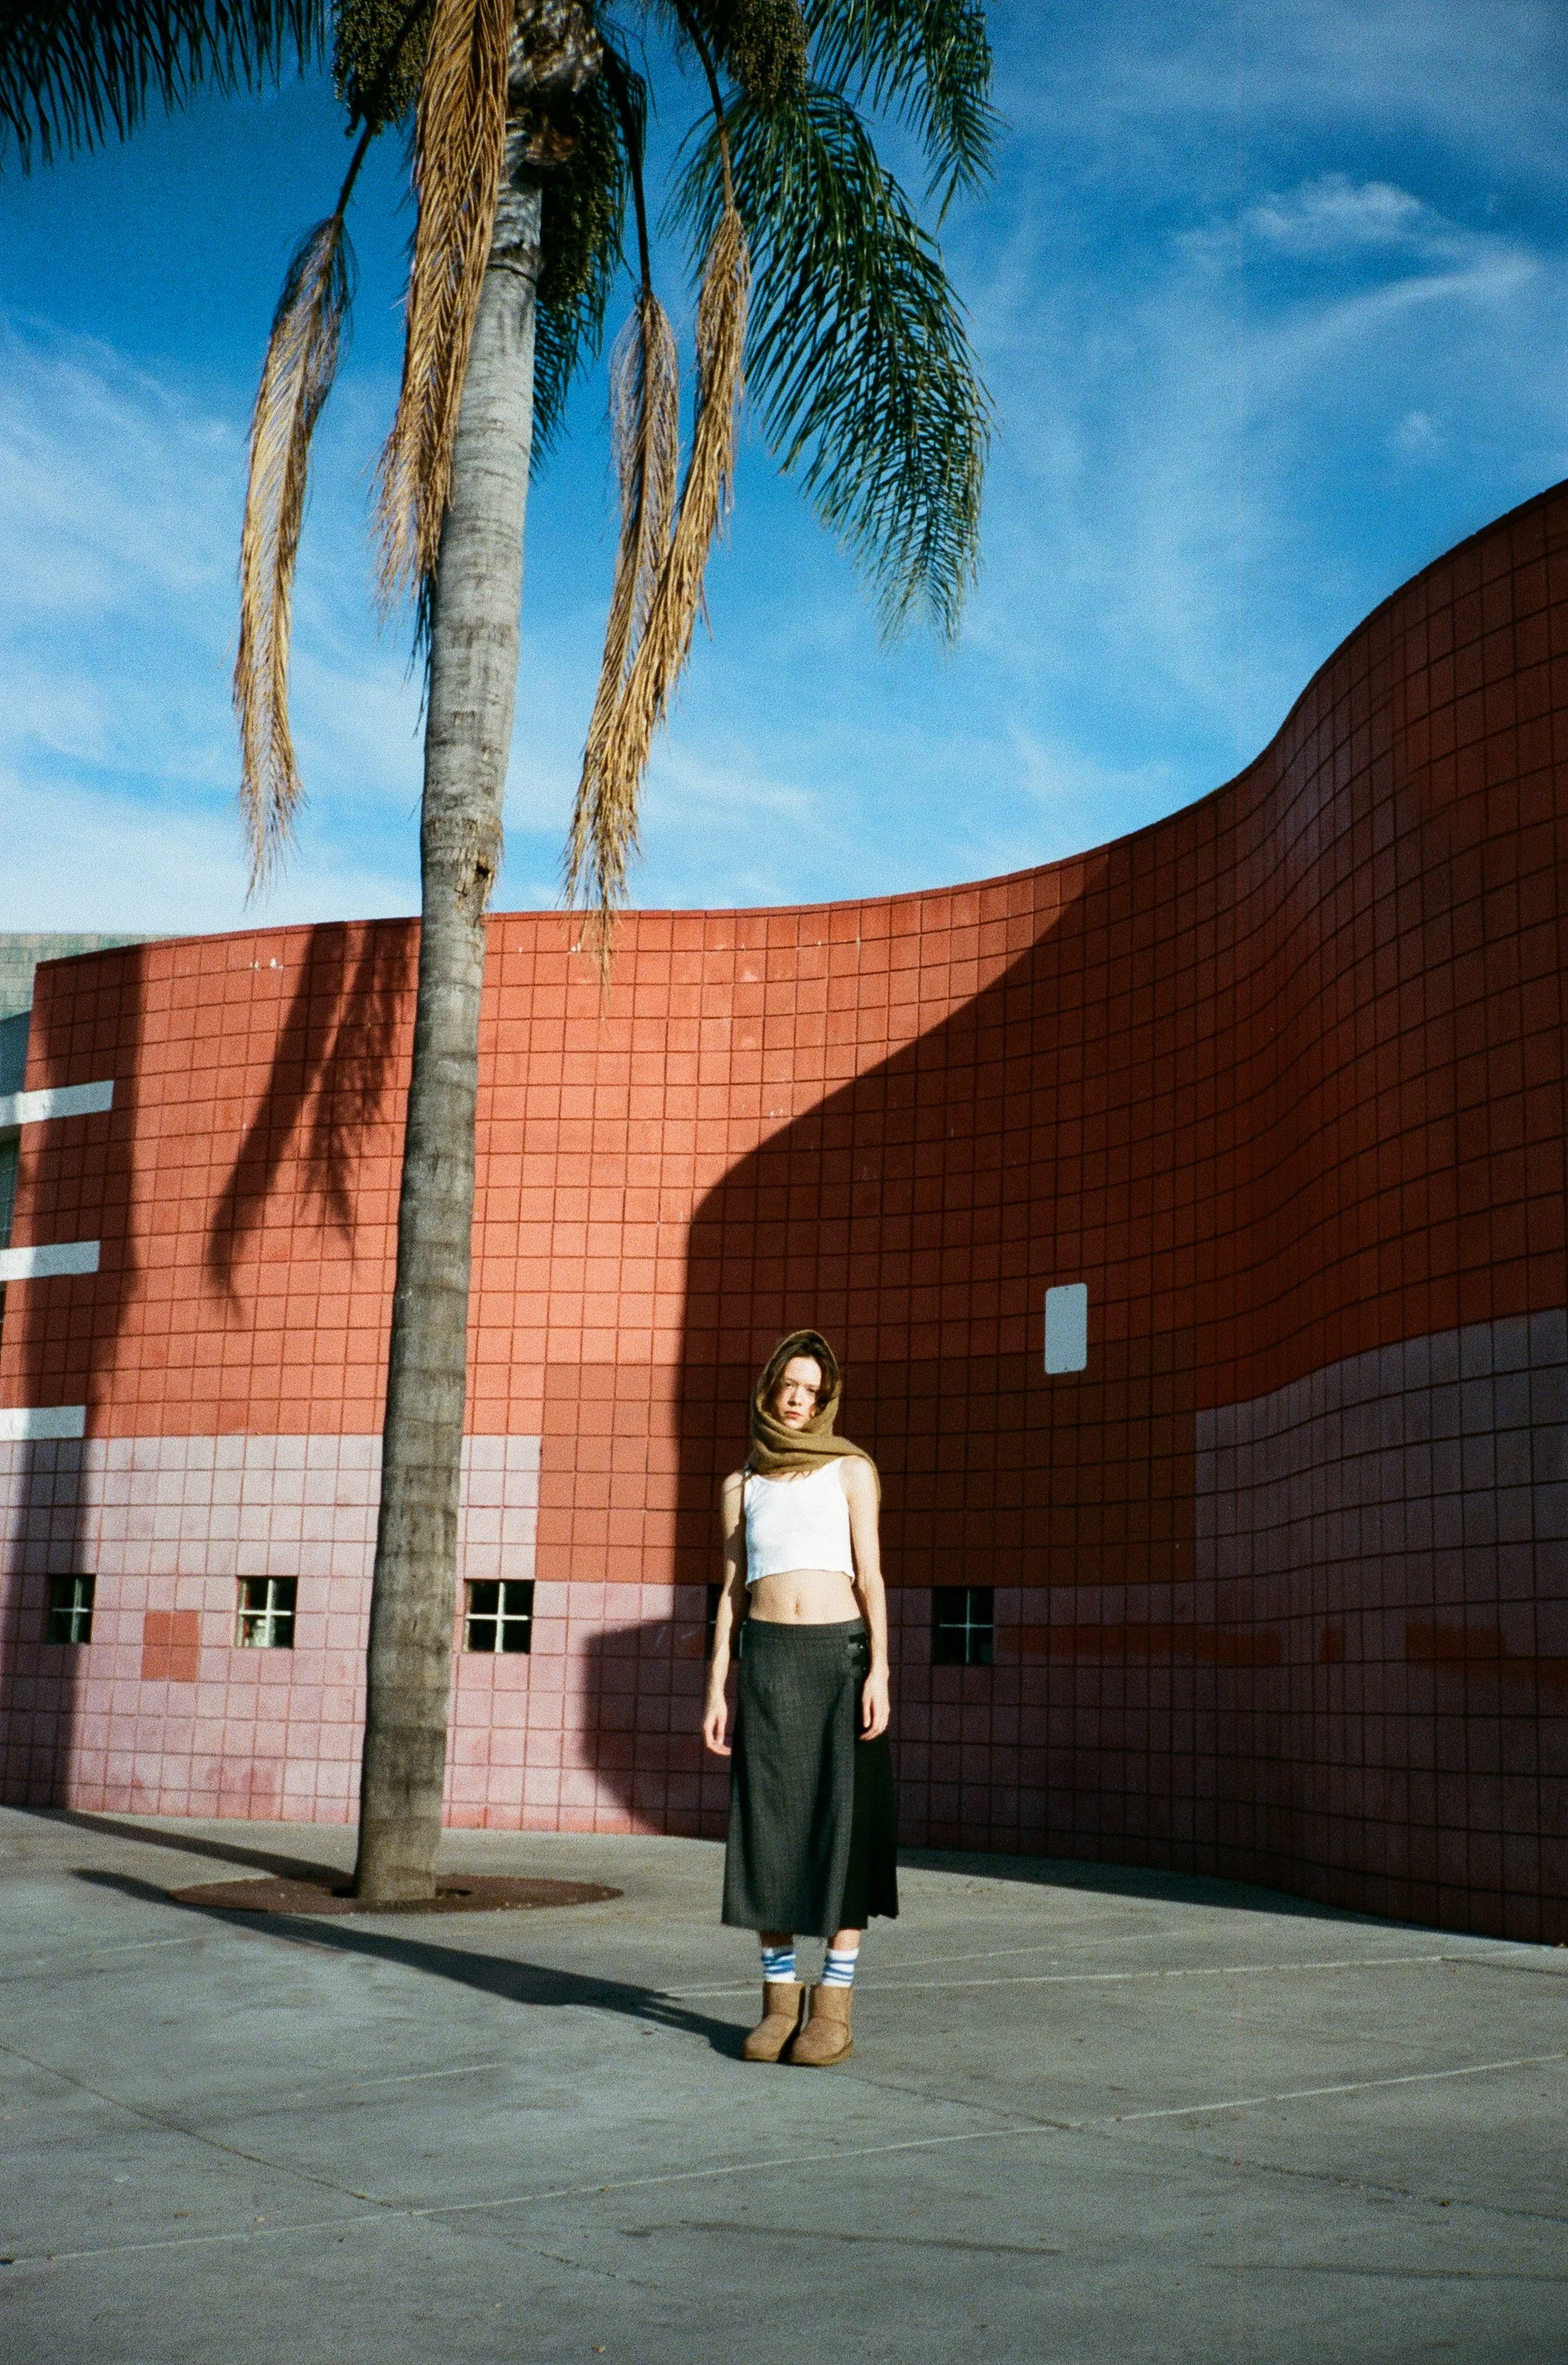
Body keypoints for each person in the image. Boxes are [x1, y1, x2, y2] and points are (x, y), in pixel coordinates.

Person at [703, 1328, 898, 2066]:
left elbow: (871, 1576)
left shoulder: (849, 1470)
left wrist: (879, 1669)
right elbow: (729, 1591)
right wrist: (716, 1682)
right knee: (768, 1831)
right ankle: (779, 2003)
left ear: (824, 1397)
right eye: (789, 1383)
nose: (797, 1398)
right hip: (766, 1665)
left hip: (839, 1659)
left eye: (811, 1389)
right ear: (769, 1385)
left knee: (843, 1830)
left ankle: (833, 2007)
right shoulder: (740, 1485)